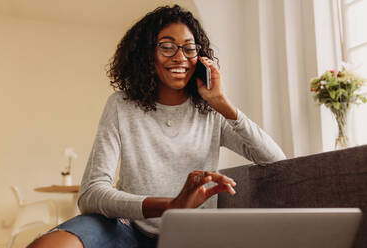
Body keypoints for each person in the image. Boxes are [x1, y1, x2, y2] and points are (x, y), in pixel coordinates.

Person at [28, 4, 286, 248]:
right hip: (129, 229)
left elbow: (275, 161)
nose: (180, 57)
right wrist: (171, 205)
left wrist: (222, 103)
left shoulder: (212, 112)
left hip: (193, 233)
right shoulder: (121, 106)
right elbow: (91, 194)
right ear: (146, 54)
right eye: (167, 47)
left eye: (189, 48)